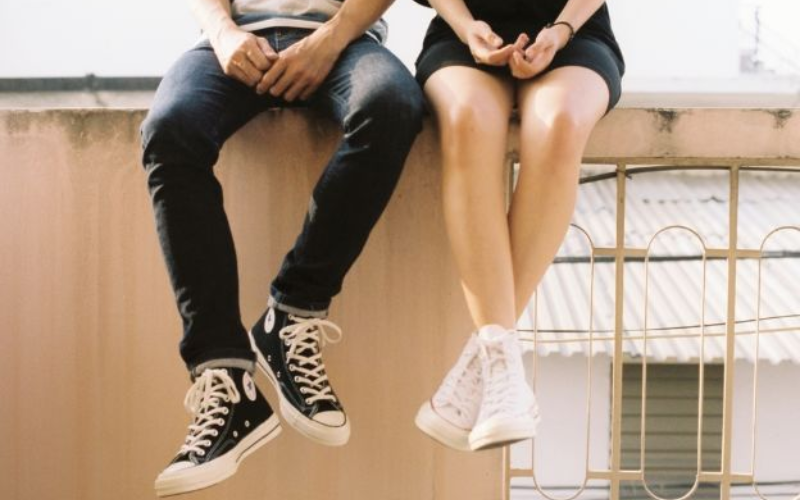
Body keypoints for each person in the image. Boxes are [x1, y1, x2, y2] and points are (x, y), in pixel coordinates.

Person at [140, 0, 423, 495]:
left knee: (392, 105)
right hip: (229, 45)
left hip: (345, 44)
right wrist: (225, 33)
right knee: (169, 129)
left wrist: (331, 37)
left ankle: (289, 315)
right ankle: (227, 381)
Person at [411, 0, 624, 451]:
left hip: (575, 35)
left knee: (560, 122)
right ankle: (501, 366)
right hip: (463, 38)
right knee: (467, 118)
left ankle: (487, 361)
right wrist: (468, 27)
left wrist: (559, 31)